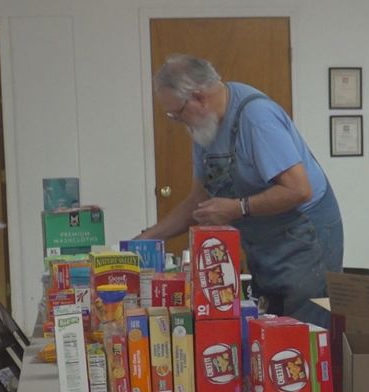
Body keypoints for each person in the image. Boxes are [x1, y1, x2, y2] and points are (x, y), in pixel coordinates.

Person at [139, 55, 343, 327]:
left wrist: (238, 208)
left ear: (199, 97)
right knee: (271, 330)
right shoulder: (204, 127)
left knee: (303, 332)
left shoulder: (257, 118)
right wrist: (146, 239)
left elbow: (298, 189)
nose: (177, 121)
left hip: (304, 237)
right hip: (265, 242)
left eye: (177, 113)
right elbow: (197, 202)